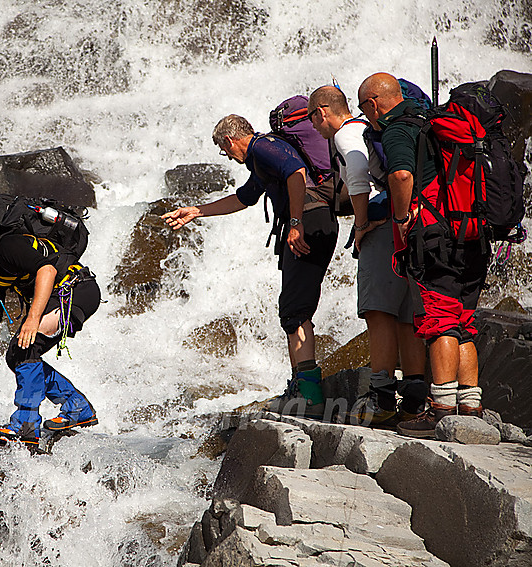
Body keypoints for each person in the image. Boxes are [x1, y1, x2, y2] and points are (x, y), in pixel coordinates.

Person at [162, 114, 338, 418]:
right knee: (291, 308)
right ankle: (299, 388)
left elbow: (296, 173)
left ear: (229, 140)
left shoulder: (263, 148)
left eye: (224, 150)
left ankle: (310, 395)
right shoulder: (261, 160)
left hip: (308, 220)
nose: (228, 157)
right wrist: (196, 211)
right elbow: (244, 199)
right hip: (306, 221)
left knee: (297, 308)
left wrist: (296, 223)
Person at [357, 73, 490, 437]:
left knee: (441, 320)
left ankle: (442, 407)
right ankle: (470, 404)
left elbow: (401, 175)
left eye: (363, 107)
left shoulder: (399, 128)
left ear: (373, 103)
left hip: (436, 236)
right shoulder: (435, 121)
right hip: (473, 232)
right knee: (463, 320)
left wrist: (400, 219)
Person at [307, 86, 427, 427]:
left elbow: (359, 180)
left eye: (313, 120)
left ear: (323, 113)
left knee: (377, 311)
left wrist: (360, 226)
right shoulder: (369, 127)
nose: (315, 129)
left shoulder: (346, 136)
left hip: (381, 225)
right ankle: (415, 396)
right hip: (408, 217)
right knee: (406, 314)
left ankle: (382, 396)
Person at [0, 226, 100, 445]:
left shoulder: (6, 246)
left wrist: (33, 318)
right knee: (16, 356)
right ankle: (77, 407)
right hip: (63, 296)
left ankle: (25, 426)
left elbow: (47, 270)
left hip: (78, 290)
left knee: (27, 347)